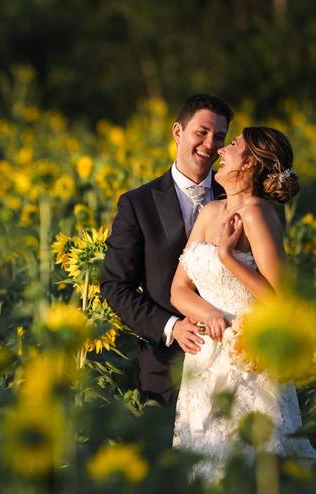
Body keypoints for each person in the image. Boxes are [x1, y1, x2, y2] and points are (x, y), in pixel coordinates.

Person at [169, 126, 316, 481]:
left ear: (250, 162)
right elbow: (179, 289)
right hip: (203, 360)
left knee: (254, 466)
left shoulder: (257, 214)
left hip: (250, 358)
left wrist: (228, 256)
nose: (221, 150)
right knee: (205, 463)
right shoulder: (208, 213)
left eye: (232, 145)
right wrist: (206, 312)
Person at [102, 94, 232, 406]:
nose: (209, 145)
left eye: (219, 137)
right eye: (201, 132)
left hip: (229, 359)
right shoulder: (138, 204)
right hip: (166, 361)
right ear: (178, 132)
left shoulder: (236, 197)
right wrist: (171, 326)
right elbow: (115, 286)